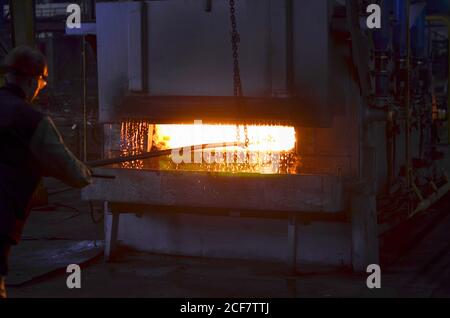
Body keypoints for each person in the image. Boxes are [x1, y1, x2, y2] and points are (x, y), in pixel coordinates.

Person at [0, 46, 92, 298]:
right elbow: (74, 174)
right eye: (42, 81)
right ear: (32, 81)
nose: (42, 88)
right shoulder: (32, 120)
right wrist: (85, 170)